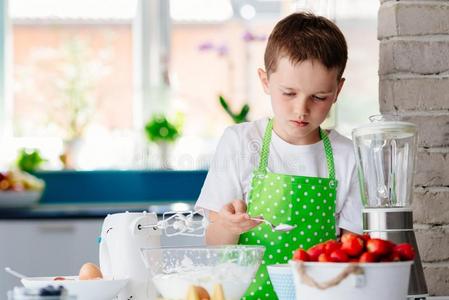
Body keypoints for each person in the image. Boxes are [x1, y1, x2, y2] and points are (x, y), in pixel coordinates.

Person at [195, 12, 362, 299]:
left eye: (319, 97)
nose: (301, 109)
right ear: (265, 81)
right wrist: (226, 225)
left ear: (338, 91)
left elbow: (354, 250)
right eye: (289, 93)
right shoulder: (240, 143)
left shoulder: (347, 156)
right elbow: (215, 247)